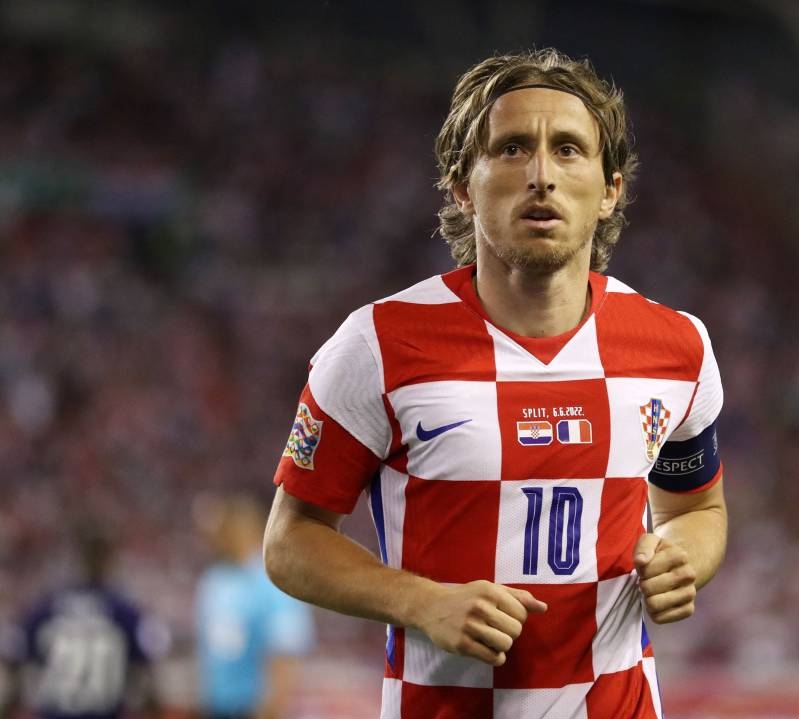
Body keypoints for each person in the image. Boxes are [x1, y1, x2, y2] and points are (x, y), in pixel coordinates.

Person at [264, 47, 727, 718]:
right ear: (462, 186)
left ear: (610, 190)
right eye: (512, 148)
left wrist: (683, 560)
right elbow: (289, 541)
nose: (541, 175)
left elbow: (696, 511)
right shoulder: (377, 345)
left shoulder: (676, 346)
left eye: (568, 149)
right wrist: (420, 600)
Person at [1, 525, 165, 719]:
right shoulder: (123, 610)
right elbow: (148, 665)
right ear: (108, 561)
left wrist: (13, 701)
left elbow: (14, 651)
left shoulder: (47, 606)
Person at [193, 493, 315, 719]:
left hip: (253, 708)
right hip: (215, 705)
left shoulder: (275, 581)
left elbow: (285, 653)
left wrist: (271, 707)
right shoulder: (214, 580)